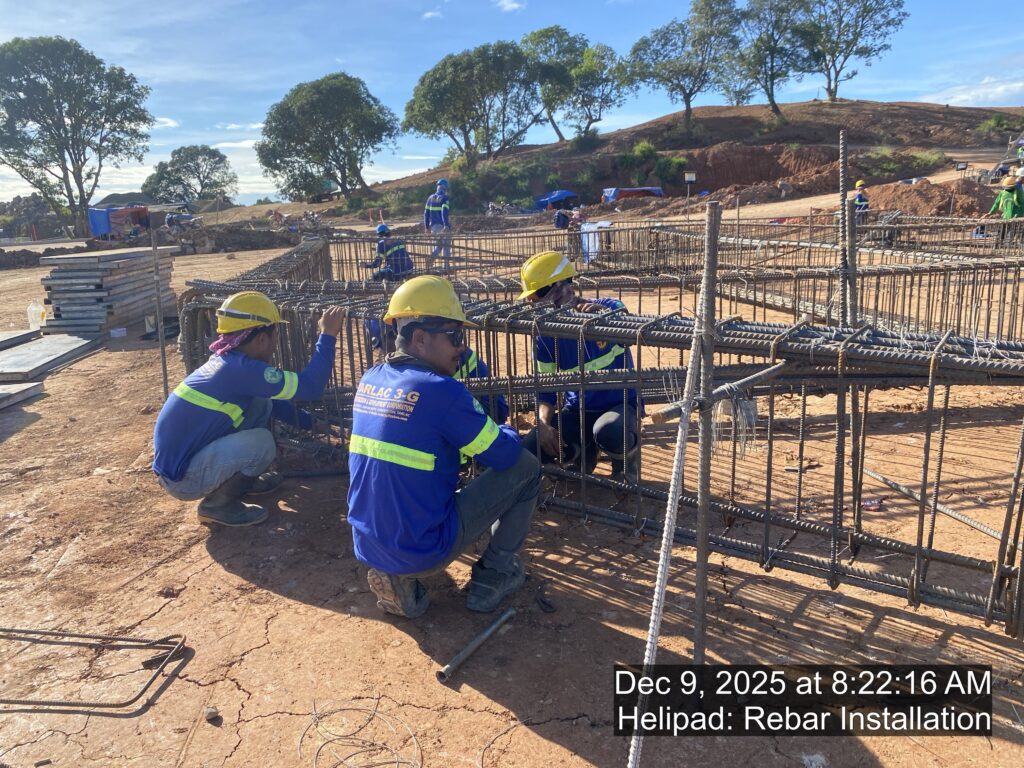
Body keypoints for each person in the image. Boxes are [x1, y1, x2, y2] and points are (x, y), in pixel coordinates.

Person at [347, 276, 539, 617]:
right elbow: (504, 455)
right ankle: (494, 573)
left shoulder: (370, 378)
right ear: (420, 338)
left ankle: (400, 579)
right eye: (455, 336)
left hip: (367, 542)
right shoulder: (440, 390)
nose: (462, 347)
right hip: (424, 549)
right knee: (526, 466)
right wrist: (507, 430)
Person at [153, 292, 344, 526]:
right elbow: (312, 387)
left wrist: (312, 423)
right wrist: (327, 335)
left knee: (261, 402)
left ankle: (245, 481)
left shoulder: (229, 362)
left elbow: (272, 404)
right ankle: (217, 505)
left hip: (186, 463)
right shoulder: (241, 370)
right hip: (184, 479)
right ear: (261, 339)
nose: (276, 344)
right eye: (275, 335)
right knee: (262, 443)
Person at [518, 250, 641, 484]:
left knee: (609, 430)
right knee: (532, 445)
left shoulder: (605, 307)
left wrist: (605, 318)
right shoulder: (546, 334)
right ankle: (582, 454)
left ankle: (625, 461)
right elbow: (546, 389)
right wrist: (543, 424)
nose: (533, 303)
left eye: (539, 294)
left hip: (619, 407)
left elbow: (629, 322)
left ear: (563, 286)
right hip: (578, 411)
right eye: (532, 297)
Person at [424, 178, 452, 271]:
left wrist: (427, 227)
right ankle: (446, 268)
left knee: (439, 246)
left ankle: (431, 258)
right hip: (442, 226)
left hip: (434, 227)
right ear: (445, 188)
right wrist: (446, 225)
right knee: (446, 247)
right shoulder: (444, 198)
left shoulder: (430, 198)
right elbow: (444, 213)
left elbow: (426, 214)